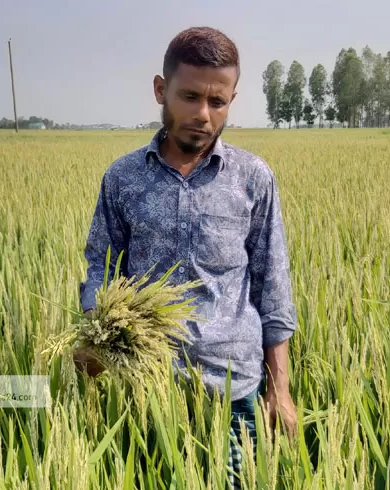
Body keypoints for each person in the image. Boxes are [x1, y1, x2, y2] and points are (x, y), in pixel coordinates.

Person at [74, 26, 298, 488]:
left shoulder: (253, 179)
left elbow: (273, 286)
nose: (203, 114)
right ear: (161, 89)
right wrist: (96, 335)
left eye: (218, 102)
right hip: (148, 387)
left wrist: (281, 390)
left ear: (233, 98)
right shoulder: (123, 179)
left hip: (234, 391)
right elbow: (102, 267)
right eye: (190, 96)